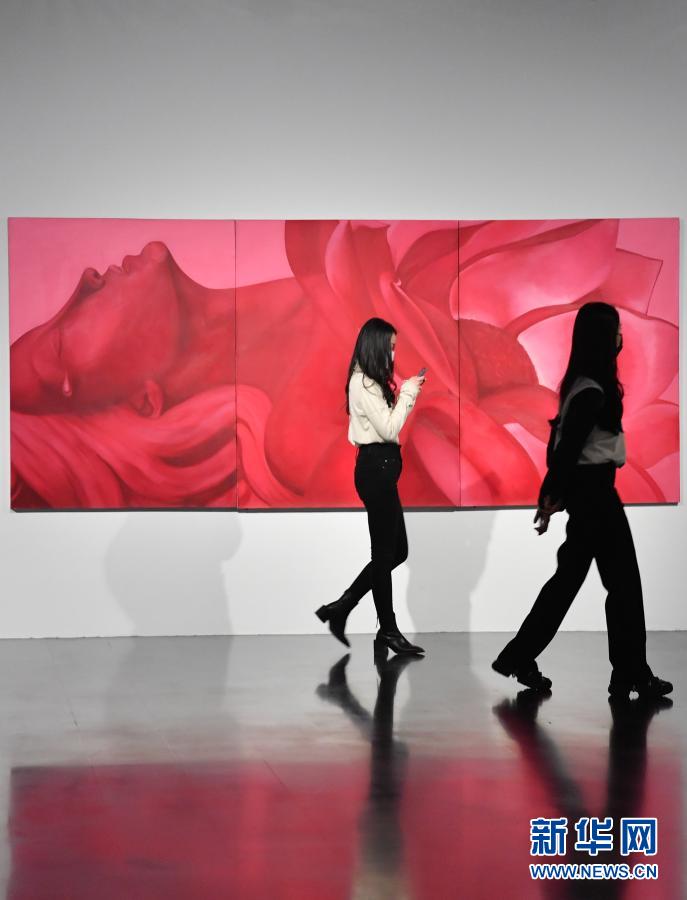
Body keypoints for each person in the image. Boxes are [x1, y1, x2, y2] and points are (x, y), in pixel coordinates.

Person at [492, 301, 673, 701]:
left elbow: (560, 447)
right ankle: (631, 674)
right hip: (596, 497)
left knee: (571, 583)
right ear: (604, 340)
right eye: (616, 333)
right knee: (623, 586)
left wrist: (552, 496)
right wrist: (551, 497)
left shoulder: (581, 386)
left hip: (588, 496)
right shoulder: (591, 392)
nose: (621, 340)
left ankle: (521, 657)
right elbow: (567, 450)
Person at [316, 317, 426, 659]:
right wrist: (409, 393)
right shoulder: (362, 384)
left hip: (381, 471)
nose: (394, 354)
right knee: (384, 554)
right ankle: (387, 629)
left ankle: (342, 607)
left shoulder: (372, 383)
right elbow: (390, 429)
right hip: (375, 470)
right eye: (391, 347)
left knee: (397, 551)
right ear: (377, 346)